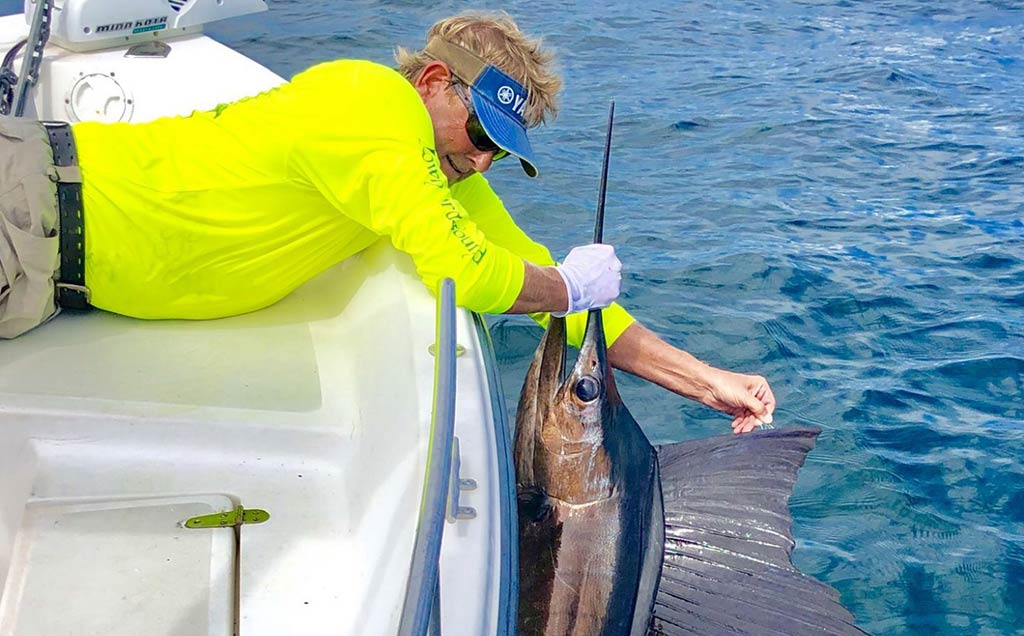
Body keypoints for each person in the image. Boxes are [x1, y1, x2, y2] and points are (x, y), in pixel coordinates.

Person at [0, 11, 774, 433]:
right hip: (28, 209)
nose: (481, 165)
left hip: (47, 263)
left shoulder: (428, 163)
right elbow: (469, 274)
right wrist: (565, 287)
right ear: (435, 81)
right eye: (481, 138)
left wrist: (707, 381)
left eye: (501, 155)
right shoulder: (373, 105)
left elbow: (541, 280)